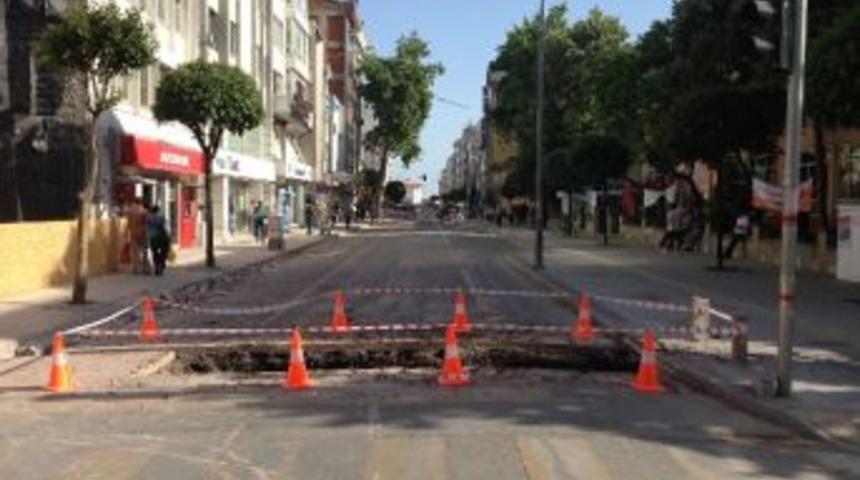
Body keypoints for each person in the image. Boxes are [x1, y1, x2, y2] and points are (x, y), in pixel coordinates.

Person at [127, 199, 151, 274]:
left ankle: (135, 269)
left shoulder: (130, 212)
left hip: (133, 232)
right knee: (144, 251)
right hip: (143, 232)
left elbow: (129, 224)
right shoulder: (144, 212)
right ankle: (145, 268)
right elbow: (147, 222)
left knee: (135, 251)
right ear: (141, 203)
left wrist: (128, 233)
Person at [147, 205, 170, 276]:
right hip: (161, 237)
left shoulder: (149, 218)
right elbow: (164, 227)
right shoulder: (161, 217)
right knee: (164, 252)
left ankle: (157, 266)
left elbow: (148, 227)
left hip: (152, 237)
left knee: (155, 253)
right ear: (158, 211)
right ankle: (161, 265)